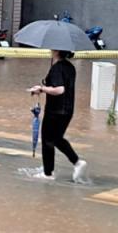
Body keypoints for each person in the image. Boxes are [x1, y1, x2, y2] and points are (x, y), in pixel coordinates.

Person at [29, 50, 88, 183]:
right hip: (67, 110)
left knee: (48, 140)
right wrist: (43, 89)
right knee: (56, 139)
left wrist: (42, 89)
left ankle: (49, 173)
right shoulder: (69, 67)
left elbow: (60, 89)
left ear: (56, 51)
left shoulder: (57, 68)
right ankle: (76, 162)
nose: (50, 50)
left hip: (55, 111)